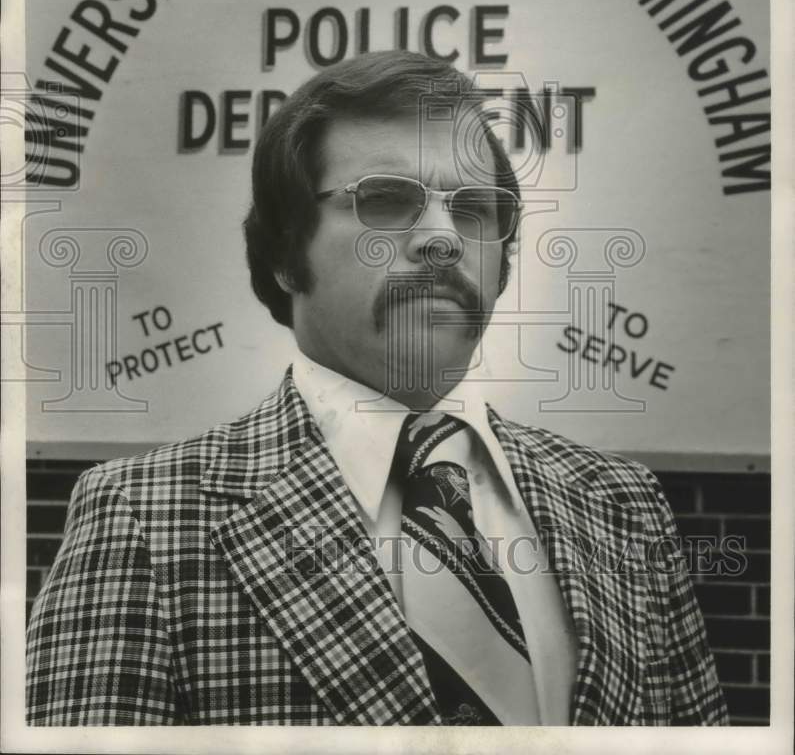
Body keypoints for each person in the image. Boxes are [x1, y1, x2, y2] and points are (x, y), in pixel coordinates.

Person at [26, 50, 728, 726]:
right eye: (386, 202)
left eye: (475, 210)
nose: (442, 239)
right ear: (282, 254)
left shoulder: (622, 505)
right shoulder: (146, 515)